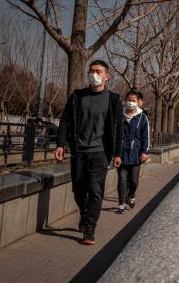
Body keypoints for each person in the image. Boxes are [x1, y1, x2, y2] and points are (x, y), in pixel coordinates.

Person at [55, 60, 123, 245]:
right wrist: (60, 144)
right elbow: (64, 121)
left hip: (100, 153)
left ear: (107, 76)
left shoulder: (114, 100)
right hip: (79, 151)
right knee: (78, 189)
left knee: (95, 191)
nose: (94, 74)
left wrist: (117, 153)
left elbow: (118, 129)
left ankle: (89, 229)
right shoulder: (77, 96)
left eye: (98, 71)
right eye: (91, 71)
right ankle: (84, 214)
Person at [117, 89, 150, 213]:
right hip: (121, 154)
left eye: (133, 100)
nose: (130, 102)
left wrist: (145, 151)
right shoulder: (119, 115)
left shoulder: (142, 117)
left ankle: (132, 195)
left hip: (135, 154)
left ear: (137, 102)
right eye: (128, 100)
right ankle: (121, 203)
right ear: (125, 101)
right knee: (121, 179)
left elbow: (146, 136)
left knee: (134, 181)